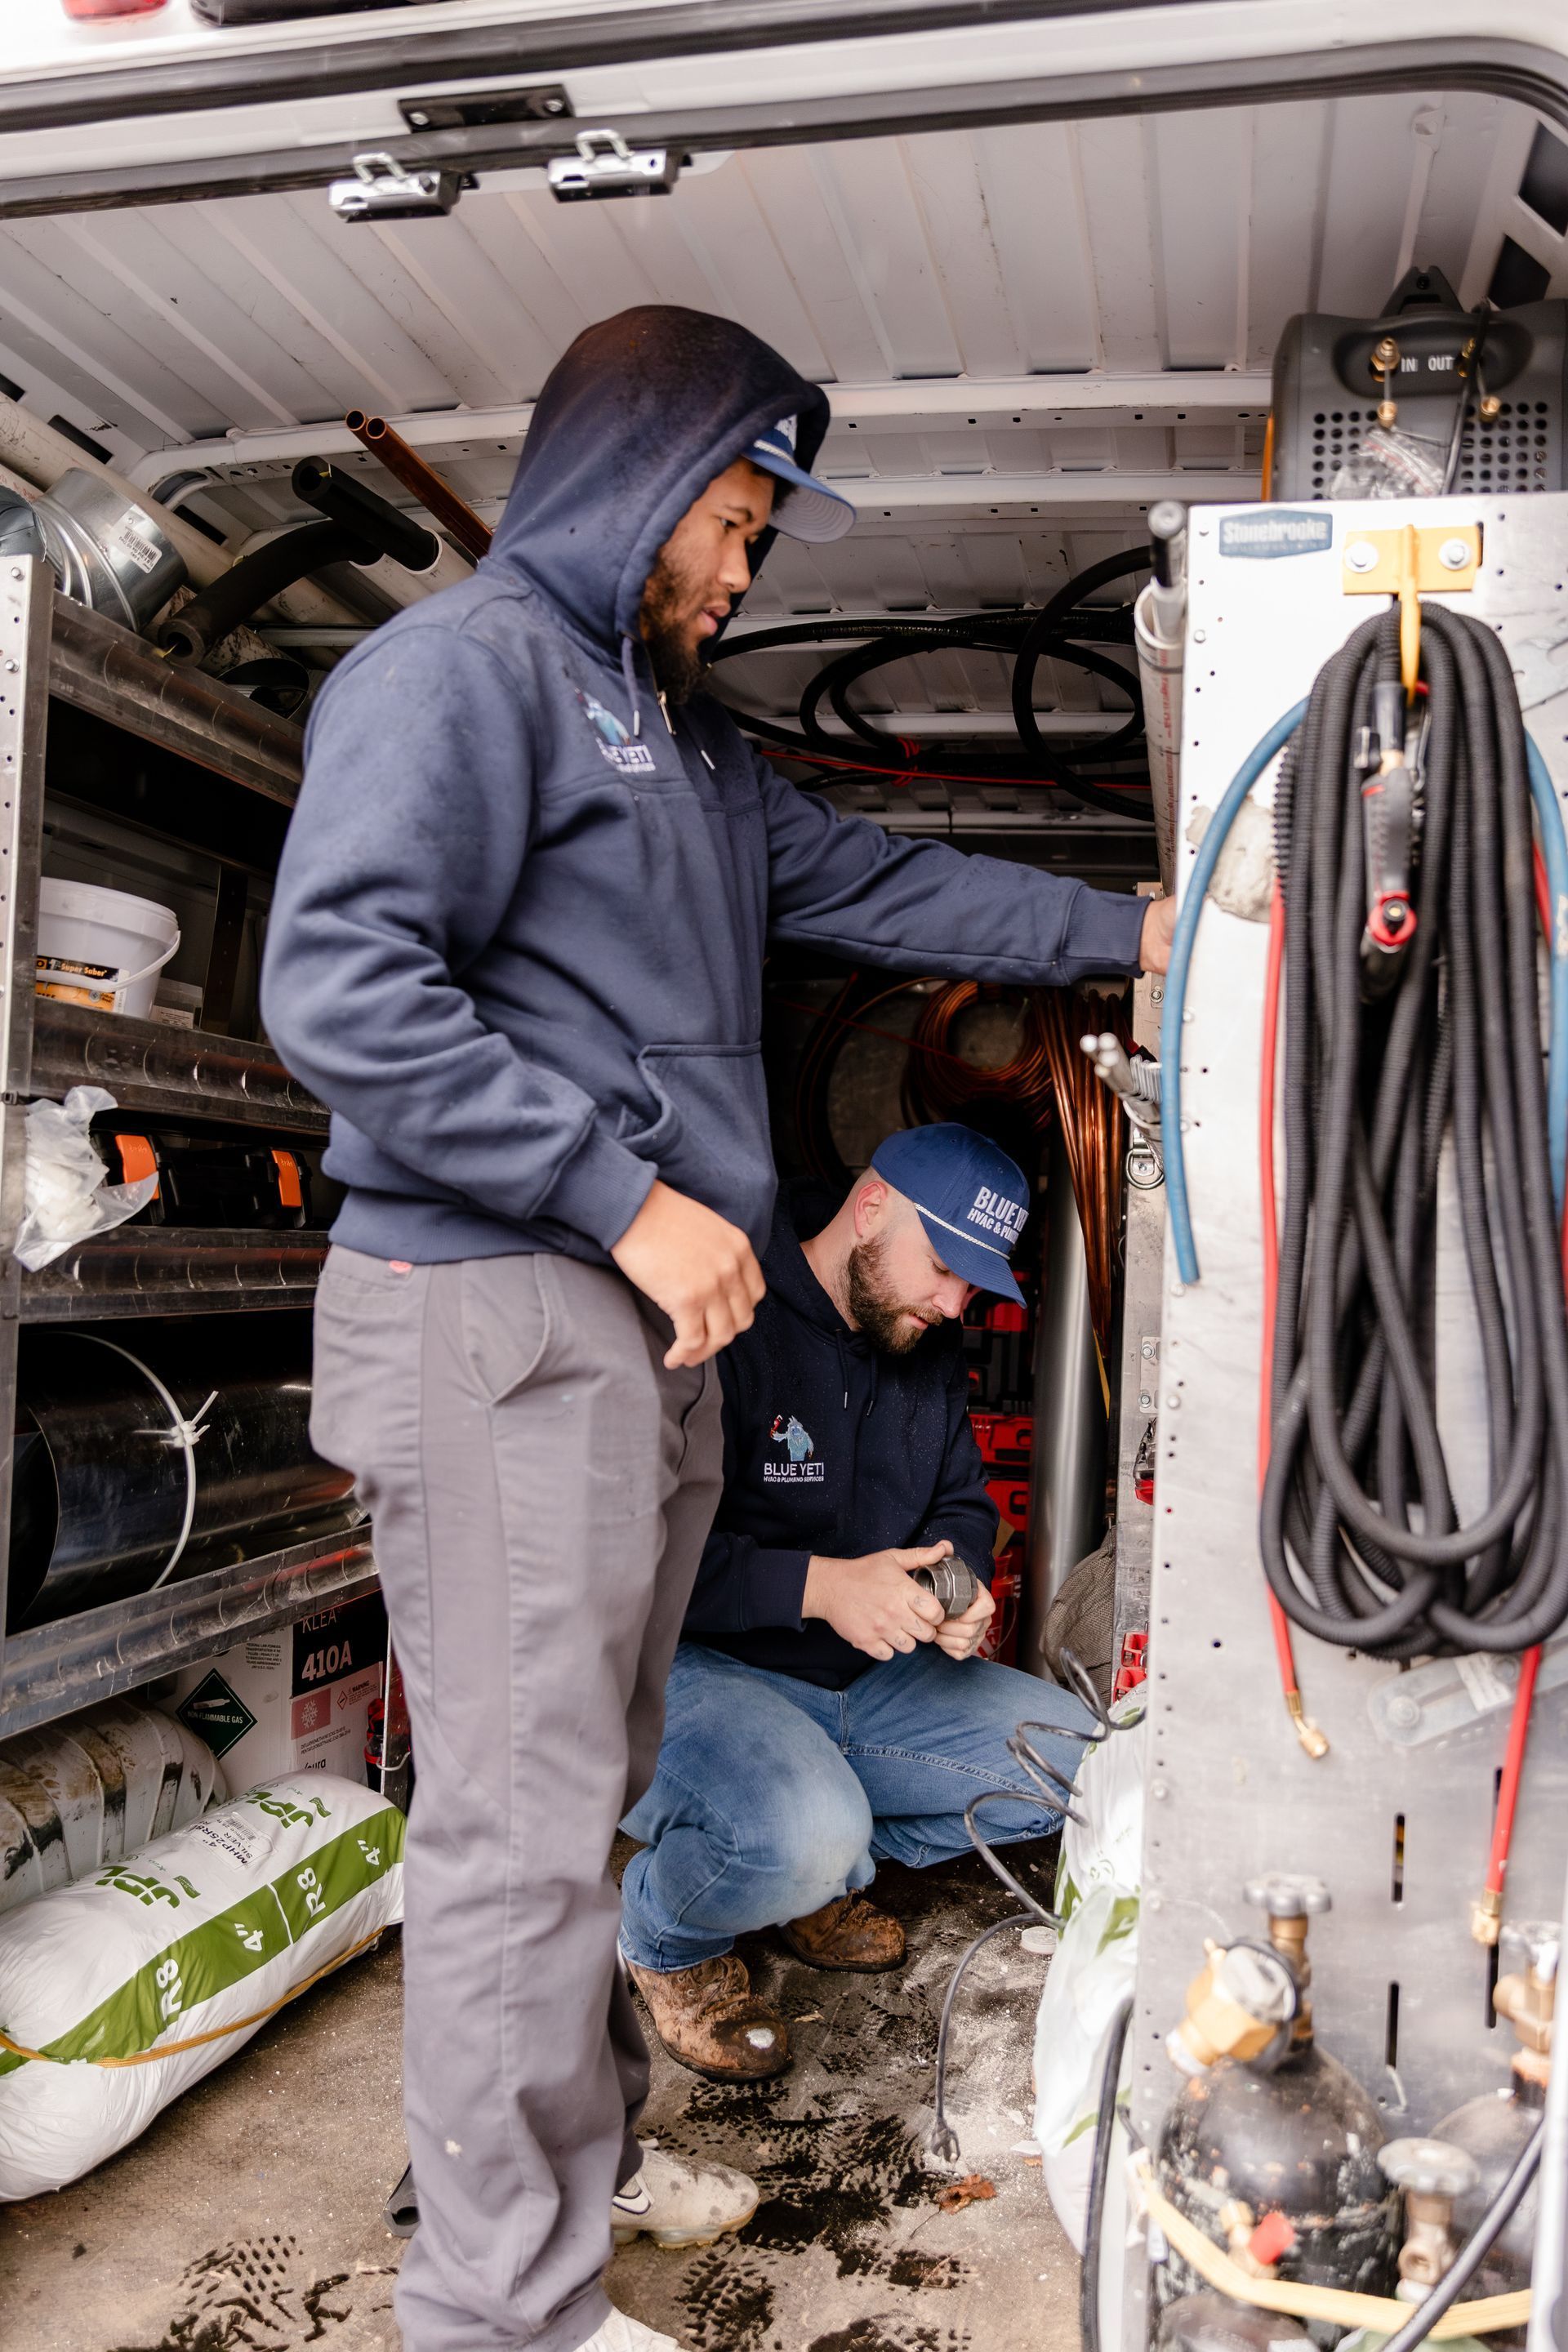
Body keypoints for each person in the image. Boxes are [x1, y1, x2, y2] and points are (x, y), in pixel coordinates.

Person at [261, 303, 1174, 2352]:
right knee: (513, 1825)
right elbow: (338, 985)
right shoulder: (458, 674)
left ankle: (555, 2183)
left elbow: (899, 885)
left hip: (641, 1335)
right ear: (636, 473)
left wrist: (1149, 926)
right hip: (502, 1305)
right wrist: (620, 1194)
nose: (745, 571)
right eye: (733, 520)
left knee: (588, 1791)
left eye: (761, 537)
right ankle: (502, 2310)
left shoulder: (685, 749)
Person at [621, 1125, 1093, 2078]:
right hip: (702, 1674)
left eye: (975, 1281)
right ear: (871, 1208)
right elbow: (634, 1550)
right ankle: (668, 1938)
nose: (955, 1302)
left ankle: (820, 1864)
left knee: (1084, 1767)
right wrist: (821, 1587)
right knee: (798, 1833)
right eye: (946, 1267)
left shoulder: (918, 1343)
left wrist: (955, 1593)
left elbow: (964, 1503)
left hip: (866, 1686)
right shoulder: (725, 1313)